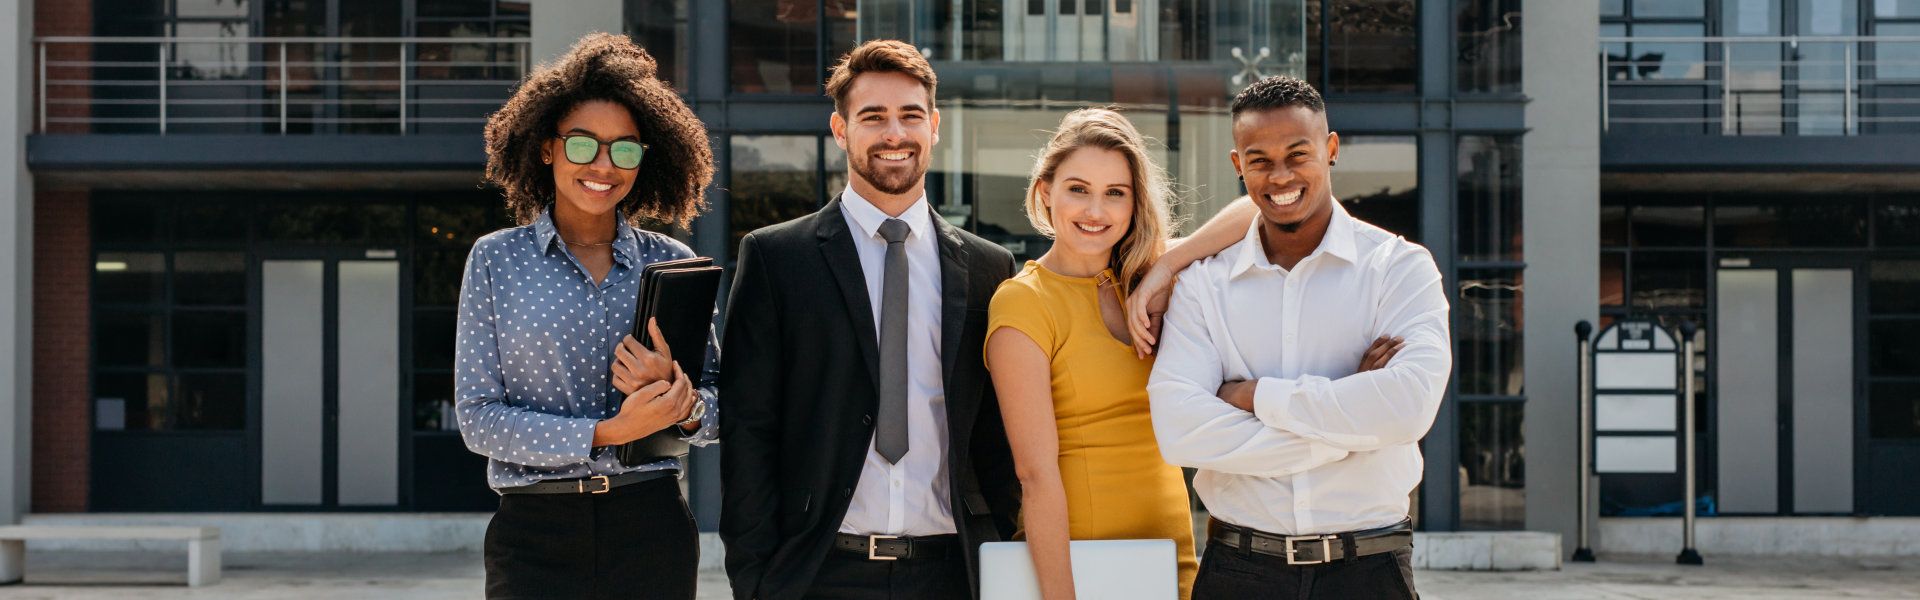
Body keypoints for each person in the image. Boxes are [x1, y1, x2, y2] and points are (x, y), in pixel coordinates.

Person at [718, 40, 1021, 600]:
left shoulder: (989, 266)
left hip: (951, 573)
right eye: (873, 117)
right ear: (840, 129)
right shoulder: (776, 257)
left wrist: (1000, 538)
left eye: (910, 116)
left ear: (934, 126)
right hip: (820, 572)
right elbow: (749, 428)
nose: (894, 134)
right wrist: (755, 578)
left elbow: (997, 432)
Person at [1146, 75, 1451, 600]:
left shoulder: (1398, 268)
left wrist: (1253, 396)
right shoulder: (1202, 287)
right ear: (1238, 165)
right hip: (1239, 571)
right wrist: (1350, 422)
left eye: (1297, 153)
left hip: (1369, 571)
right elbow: (1180, 432)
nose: (1279, 174)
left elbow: (1406, 408)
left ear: (1330, 150)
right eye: (1259, 159)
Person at [456, 33, 719, 600]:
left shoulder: (673, 265)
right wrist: (607, 433)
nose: (603, 165)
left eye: (625, 148)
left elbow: (720, 410)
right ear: (547, 148)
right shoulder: (495, 259)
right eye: (582, 145)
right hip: (533, 536)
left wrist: (682, 400)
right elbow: (478, 420)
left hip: (652, 529)